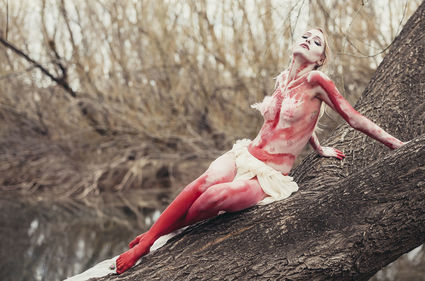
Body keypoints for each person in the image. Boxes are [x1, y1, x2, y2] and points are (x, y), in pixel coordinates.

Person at [115, 28, 404, 274]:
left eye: (316, 42)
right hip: (246, 153)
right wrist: (318, 146)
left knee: (214, 197)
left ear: (321, 59)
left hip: (269, 174)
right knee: (203, 182)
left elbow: (353, 118)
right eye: (305, 36)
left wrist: (396, 145)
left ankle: (162, 231)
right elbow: (299, 123)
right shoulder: (282, 79)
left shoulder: (318, 82)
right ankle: (148, 241)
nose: (308, 40)